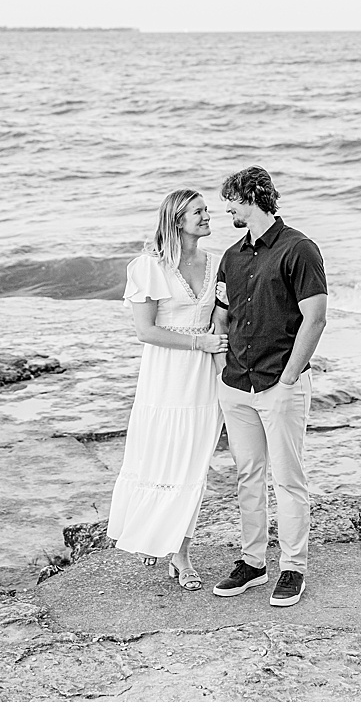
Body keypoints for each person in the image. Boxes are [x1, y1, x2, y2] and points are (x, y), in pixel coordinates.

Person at [210, 166, 328, 609]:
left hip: (282, 383)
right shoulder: (231, 256)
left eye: (233, 201)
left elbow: (314, 319)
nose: (228, 209)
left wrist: (289, 378)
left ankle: (292, 567)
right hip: (236, 384)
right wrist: (223, 366)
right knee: (248, 476)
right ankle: (252, 562)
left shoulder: (299, 249)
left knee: (288, 479)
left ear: (255, 197)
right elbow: (221, 316)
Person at [106, 189, 228, 589]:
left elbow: (221, 323)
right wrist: (200, 343)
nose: (208, 216)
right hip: (166, 377)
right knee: (162, 461)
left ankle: (175, 547)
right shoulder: (149, 266)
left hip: (204, 377)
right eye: (199, 211)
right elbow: (146, 331)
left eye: (207, 210)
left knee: (194, 467)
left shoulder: (217, 263)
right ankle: (173, 549)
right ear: (177, 220)